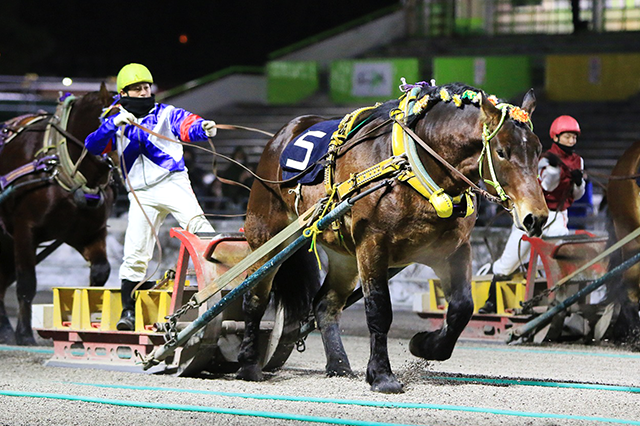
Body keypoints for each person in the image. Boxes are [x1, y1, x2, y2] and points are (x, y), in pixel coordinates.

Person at [85, 63, 217, 330]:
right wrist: (111, 125)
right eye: (138, 88)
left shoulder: (167, 113)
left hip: (172, 183)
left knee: (202, 232)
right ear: (124, 93)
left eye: (147, 87)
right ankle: (128, 313)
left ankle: (220, 294)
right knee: (135, 253)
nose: (145, 92)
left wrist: (203, 127)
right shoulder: (115, 119)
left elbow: (187, 124)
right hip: (140, 194)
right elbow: (92, 145)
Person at [478, 115, 586, 314]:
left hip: (558, 218)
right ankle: (490, 302)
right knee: (509, 261)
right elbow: (544, 187)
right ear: (556, 137)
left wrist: (579, 183)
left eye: (574, 137)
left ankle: (555, 305)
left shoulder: (578, 161)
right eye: (567, 136)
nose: (571, 141)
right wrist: (553, 171)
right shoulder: (544, 158)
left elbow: (577, 196)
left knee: (557, 264)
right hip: (533, 215)